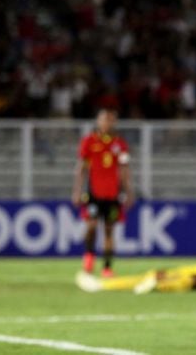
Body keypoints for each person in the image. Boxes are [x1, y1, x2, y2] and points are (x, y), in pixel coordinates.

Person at [72, 108, 134, 278]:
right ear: (98, 122)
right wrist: (77, 191)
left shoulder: (120, 144)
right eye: (104, 120)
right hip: (94, 193)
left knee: (109, 230)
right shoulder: (89, 142)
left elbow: (124, 169)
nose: (107, 123)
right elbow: (81, 169)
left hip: (113, 195)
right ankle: (89, 256)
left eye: (110, 120)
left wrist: (129, 192)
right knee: (91, 226)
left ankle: (107, 267)